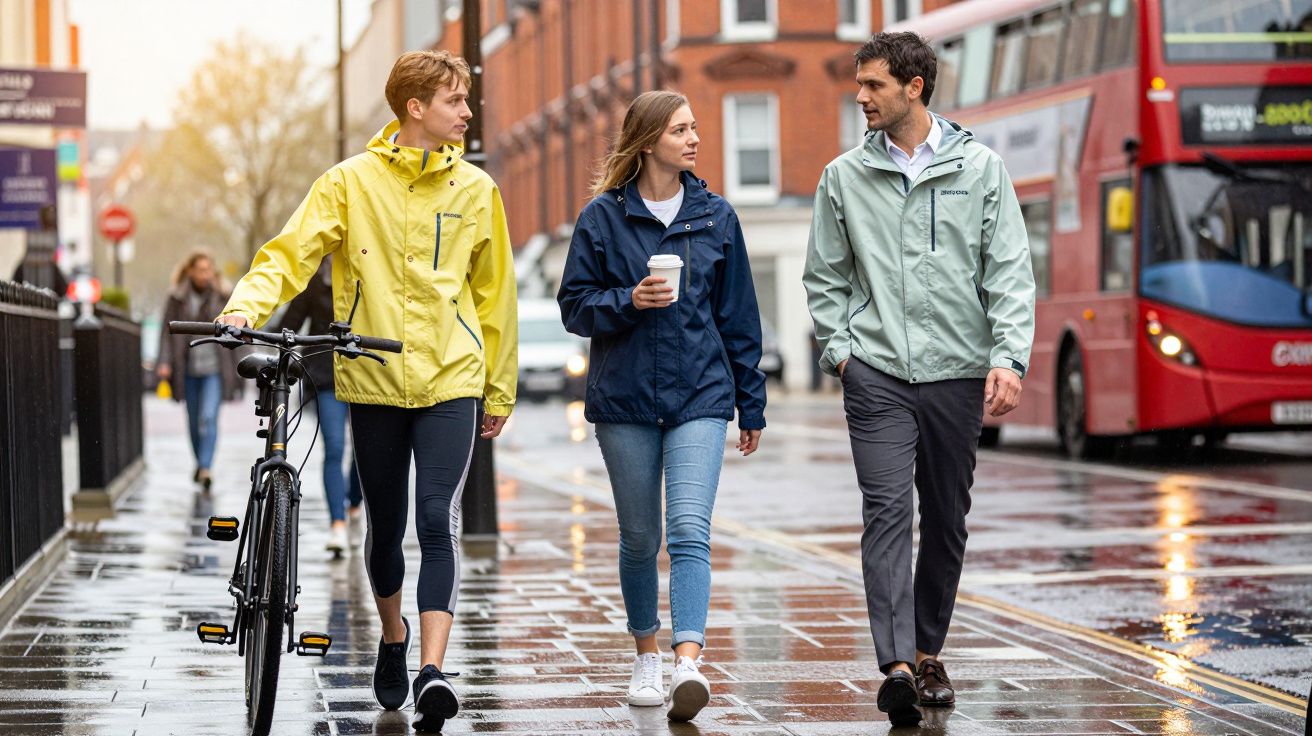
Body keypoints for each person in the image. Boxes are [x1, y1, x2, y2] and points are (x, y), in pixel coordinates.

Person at [215, 50, 517, 733]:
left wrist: (498, 387)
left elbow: (496, 298)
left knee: (437, 518)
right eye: (455, 100)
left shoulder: (476, 191)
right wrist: (244, 308)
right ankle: (392, 636)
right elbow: (289, 254)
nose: (468, 112)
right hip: (374, 379)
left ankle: (434, 671)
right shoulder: (347, 184)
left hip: (452, 379)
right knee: (384, 528)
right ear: (415, 107)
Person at [802, 32, 1035, 727]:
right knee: (887, 510)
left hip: (958, 374)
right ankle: (898, 664)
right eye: (859, 83)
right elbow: (825, 278)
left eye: (873, 85)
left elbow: (1010, 271)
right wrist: (843, 352)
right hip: (876, 373)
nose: (860, 96)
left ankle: (928, 649)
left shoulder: (981, 168)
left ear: (914, 87)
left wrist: (1008, 356)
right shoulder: (843, 177)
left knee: (947, 517)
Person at [557, 90, 767, 723]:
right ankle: (646, 651)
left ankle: (687, 661)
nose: (695, 138)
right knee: (640, 537)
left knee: (688, 532)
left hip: (701, 395)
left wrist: (749, 404)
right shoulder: (602, 218)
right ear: (649, 141)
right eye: (681, 129)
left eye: (696, 127)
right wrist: (629, 300)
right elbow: (575, 306)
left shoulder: (715, 216)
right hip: (623, 401)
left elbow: (739, 317)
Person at [265, 257, 364, 554]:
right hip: (325, 376)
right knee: (334, 447)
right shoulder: (314, 282)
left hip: (366, 376)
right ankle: (337, 524)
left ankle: (354, 504)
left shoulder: (369, 272)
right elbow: (289, 324)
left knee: (364, 451)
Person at [157, 249, 241, 491]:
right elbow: (166, 331)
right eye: (200, 269)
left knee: (208, 417)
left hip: (215, 368)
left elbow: (236, 332)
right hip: (187, 368)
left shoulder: (223, 295)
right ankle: (200, 462)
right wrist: (164, 361)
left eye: (208, 269)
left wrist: (242, 365)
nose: (205, 274)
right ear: (190, 271)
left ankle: (205, 467)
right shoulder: (176, 297)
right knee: (194, 422)